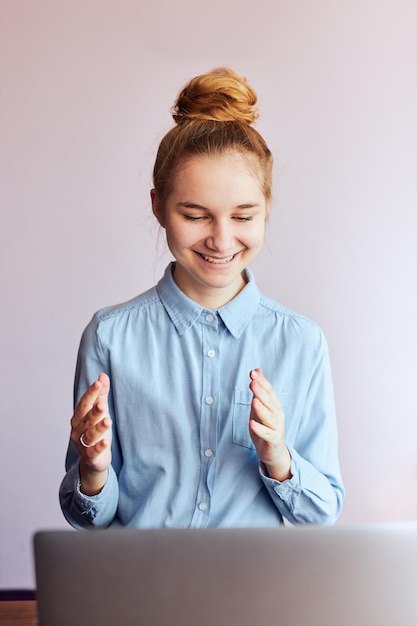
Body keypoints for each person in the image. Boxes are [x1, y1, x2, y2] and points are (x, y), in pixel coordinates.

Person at [59, 67, 344, 529]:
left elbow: (321, 511)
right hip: (144, 590)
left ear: (267, 208)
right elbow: (86, 518)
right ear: (158, 207)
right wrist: (92, 471)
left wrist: (278, 457)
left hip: (254, 595)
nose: (221, 239)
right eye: (195, 215)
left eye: (243, 215)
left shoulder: (302, 342)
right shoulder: (110, 336)